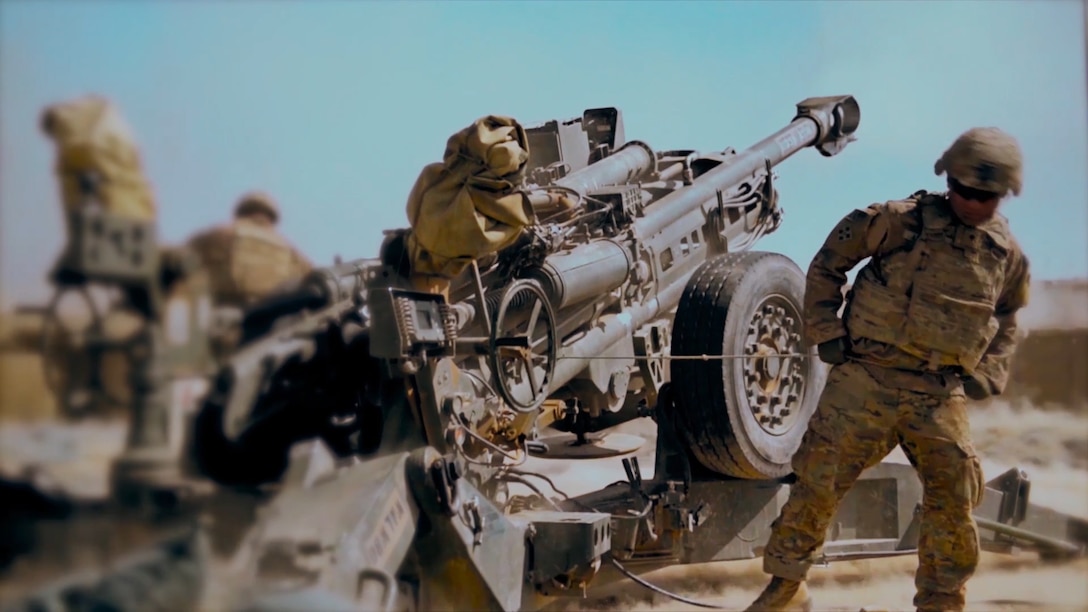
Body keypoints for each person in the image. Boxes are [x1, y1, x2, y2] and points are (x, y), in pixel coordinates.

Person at [746, 127, 1032, 612]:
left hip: (938, 394)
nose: (973, 202)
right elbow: (828, 265)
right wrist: (825, 331)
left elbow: (1008, 316)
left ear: (1003, 196)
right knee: (818, 481)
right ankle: (787, 587)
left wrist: (991, 371)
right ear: (948, 181)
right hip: (867, 381)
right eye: (964, 190)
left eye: (986, 196)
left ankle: (942, 600)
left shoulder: (1005, 254)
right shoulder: (897, 220)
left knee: (956, 495)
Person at [185, 190, 313, 310]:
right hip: (267, 316)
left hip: (215, 310)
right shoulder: (291, 252)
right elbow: (311, 283)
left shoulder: (213, 236)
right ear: (272, 216)